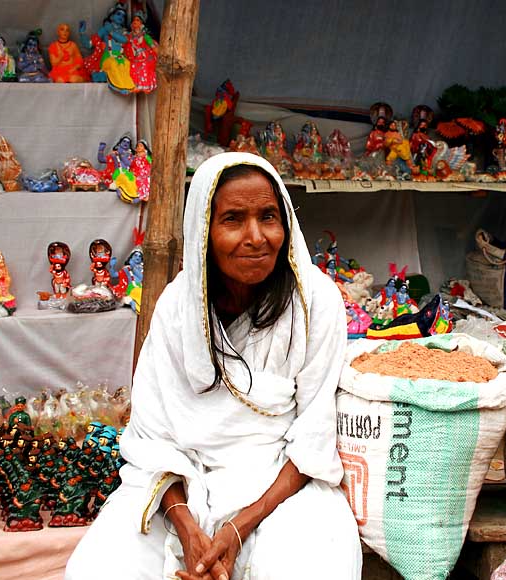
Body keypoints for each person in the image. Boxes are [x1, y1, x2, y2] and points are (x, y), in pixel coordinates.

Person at [66, 152, 361, 579]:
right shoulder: (175, 308)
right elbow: (154, 438)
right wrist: (188, 532)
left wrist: (238, 528)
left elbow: (313, 438)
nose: (256, 236)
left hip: (280, 483)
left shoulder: (316, 301)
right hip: (183, 484)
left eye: (268, 217)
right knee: (102, 568)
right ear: (203, 230)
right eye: (234, 219)